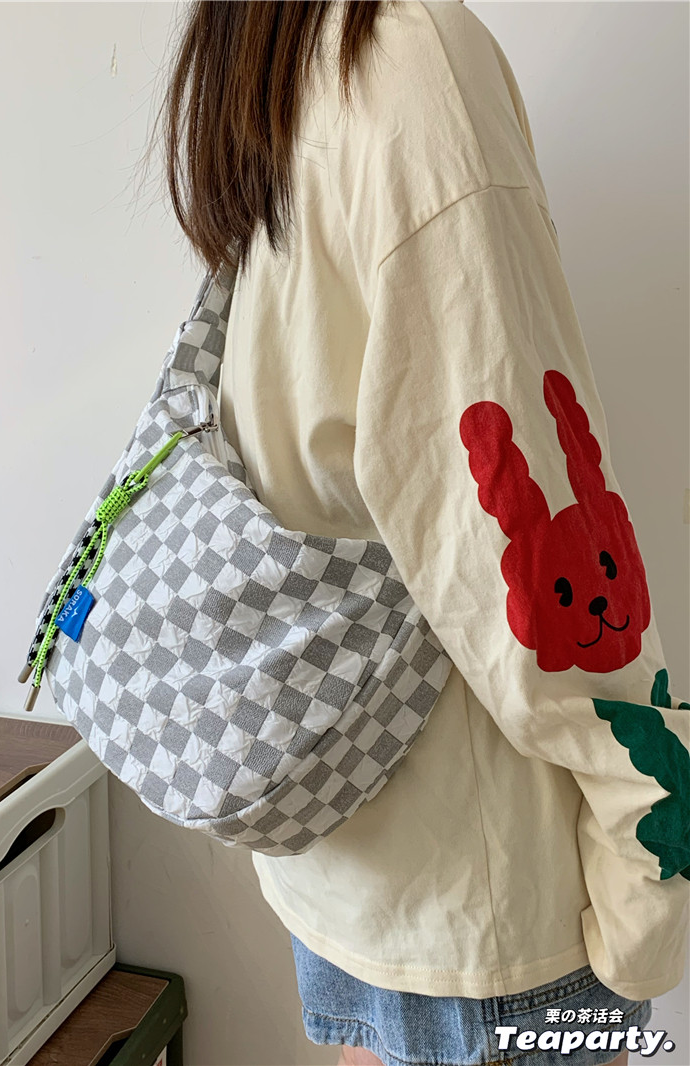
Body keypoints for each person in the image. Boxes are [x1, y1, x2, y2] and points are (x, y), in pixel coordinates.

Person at [136, 2, 690, 1064]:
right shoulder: (408, 62)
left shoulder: (276, 51)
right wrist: (647, 848)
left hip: (352, 848)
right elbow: (529, 539)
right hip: (492, 908)